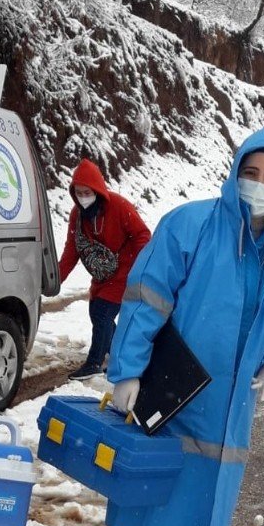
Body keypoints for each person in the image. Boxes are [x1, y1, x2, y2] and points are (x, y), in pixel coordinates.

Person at [73, 123, 264, 526]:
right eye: (251, 172)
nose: (260, 182)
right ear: (234, 172)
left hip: (228, 403)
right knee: (143, 488)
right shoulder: (191, 225)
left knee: (200, 493)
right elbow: (145, 299)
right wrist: (127, 371)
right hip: (170, 390)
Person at [58, 158, 151, 380]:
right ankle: (120, 352)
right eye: (78, 193)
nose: (83, 198)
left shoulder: (119, 206)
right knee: (97, 313)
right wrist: (57, 278)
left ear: (98, 190)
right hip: (101, 274)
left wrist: (129, 265)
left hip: (123, 272)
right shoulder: (77, 215)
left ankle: (94, 363)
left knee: (102, 313)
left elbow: (143, 235)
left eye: (87, 192)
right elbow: (72, 248)